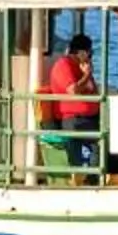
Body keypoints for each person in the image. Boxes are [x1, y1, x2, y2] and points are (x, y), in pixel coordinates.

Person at [44, 31, 101, 177]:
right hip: (72, 118)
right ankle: (92, 177)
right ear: (82, 52)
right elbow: (73, 90)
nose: (90, 56)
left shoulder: (81, 67)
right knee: (101, 138)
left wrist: (87, 74)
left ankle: (98, 174)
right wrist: (87, 74)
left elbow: (93, 91)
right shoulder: (64, 65)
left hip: (89, 117)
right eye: (89, 52)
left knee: (112, 132)